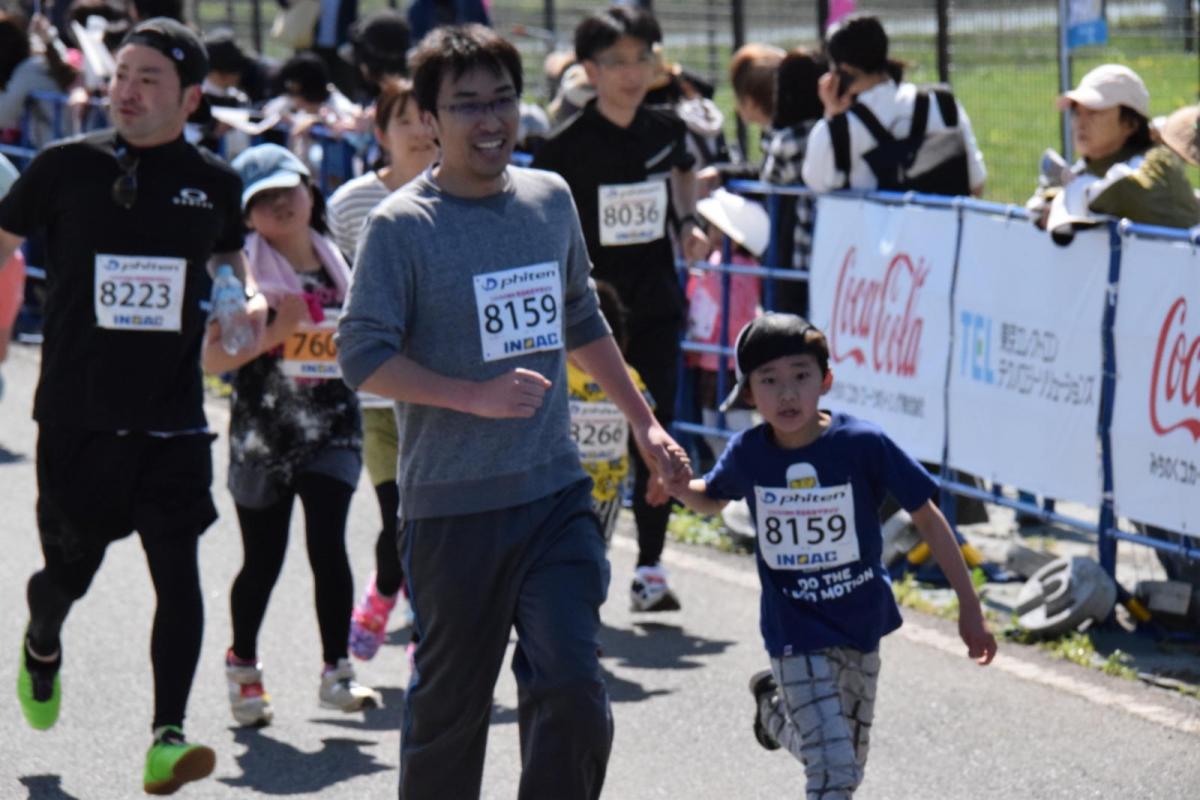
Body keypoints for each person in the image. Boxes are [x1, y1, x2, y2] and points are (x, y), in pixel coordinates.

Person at [335, 24, 690, 799]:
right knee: (451, 713)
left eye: (502, 99)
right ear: (430, 117)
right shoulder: (401, 226)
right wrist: (473, 396)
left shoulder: (547, 199)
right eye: (467, 104)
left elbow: (580, 315)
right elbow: (359, 354)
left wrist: (644, 422)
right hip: (452, 509)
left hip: (554, 493)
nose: (490, 119)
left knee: (572, 684)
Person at [0, 17, 258, 795]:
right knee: (65, 579)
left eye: (149, 79)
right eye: (120, 75)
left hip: (173, 418)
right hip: (77, 415)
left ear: (190, 98)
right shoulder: (63, 166)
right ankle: (42, 641)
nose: (127, 91)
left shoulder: (215, 180)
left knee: (178, 575)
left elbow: (228, 253)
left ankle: (167, 738)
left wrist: (238, 295)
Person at [662, 312, 998, 799]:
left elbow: (927, 517)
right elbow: (711, 498)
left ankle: (772, 712)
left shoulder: (862, 444)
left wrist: (969, 604)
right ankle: (780, 709)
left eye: (801, 376)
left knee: (847, 762)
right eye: (769, 381)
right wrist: (680, 487)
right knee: (834, 770)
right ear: (749, 394)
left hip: (860, 621)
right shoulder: (749, 452)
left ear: (826, 380)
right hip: (793, 629)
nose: (787, 393)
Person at [533, 5, 712, 612]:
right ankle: (568, 562)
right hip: (589, 314)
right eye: (616, 62)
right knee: (581, 435)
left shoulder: (665, 128)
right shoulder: (564, 146)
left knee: (657, 424)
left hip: (655, 301)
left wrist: (686, 222)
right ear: (589, 69)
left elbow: (684, 173)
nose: (632, 73)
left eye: (642, 58)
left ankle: (651, 568)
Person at [202, 143, 380, 727]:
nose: (281, 205)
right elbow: (212, 359)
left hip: (334, 428)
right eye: (264, 199)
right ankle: (243, 667)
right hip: (264, 435)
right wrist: (277, 330)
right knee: (263, 560)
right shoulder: (239, 274)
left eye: (289, 190)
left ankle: (337, 671)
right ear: (246, 216)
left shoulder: (339, 261)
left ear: (310, 189)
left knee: (329, 545)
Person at [327, 76, 437, 661]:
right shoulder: (350, 205)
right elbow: (332, 290)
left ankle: (424, 636)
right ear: (380, 133)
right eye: (405, 120)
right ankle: (385, 591)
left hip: (445, 392)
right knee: (399, 514)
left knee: (430, 520)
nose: (420, 131)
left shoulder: (463, 196)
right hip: (377, 395)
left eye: (428, 117)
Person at [802, 14, 986, 196]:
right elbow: (976, 183)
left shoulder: (835, 132)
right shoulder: (942, 103)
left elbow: (816, 184)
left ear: (844, 69)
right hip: (942, 216)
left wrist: (831, 115)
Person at [1028, 64, 1199, 234]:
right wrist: (1051, 199)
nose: (1081, 122)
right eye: (1076, 112)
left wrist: (1065, 199)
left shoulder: (1158, 160)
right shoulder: (1092, 165)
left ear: (1130, 123)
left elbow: (1127, 190)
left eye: (1094, 112)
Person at [569, 280, 655, 545]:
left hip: (608, 490)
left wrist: (657, 471)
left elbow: (644, 427)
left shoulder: (626, 379)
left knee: (597, 555)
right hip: (562, 490)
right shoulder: (555, 377)